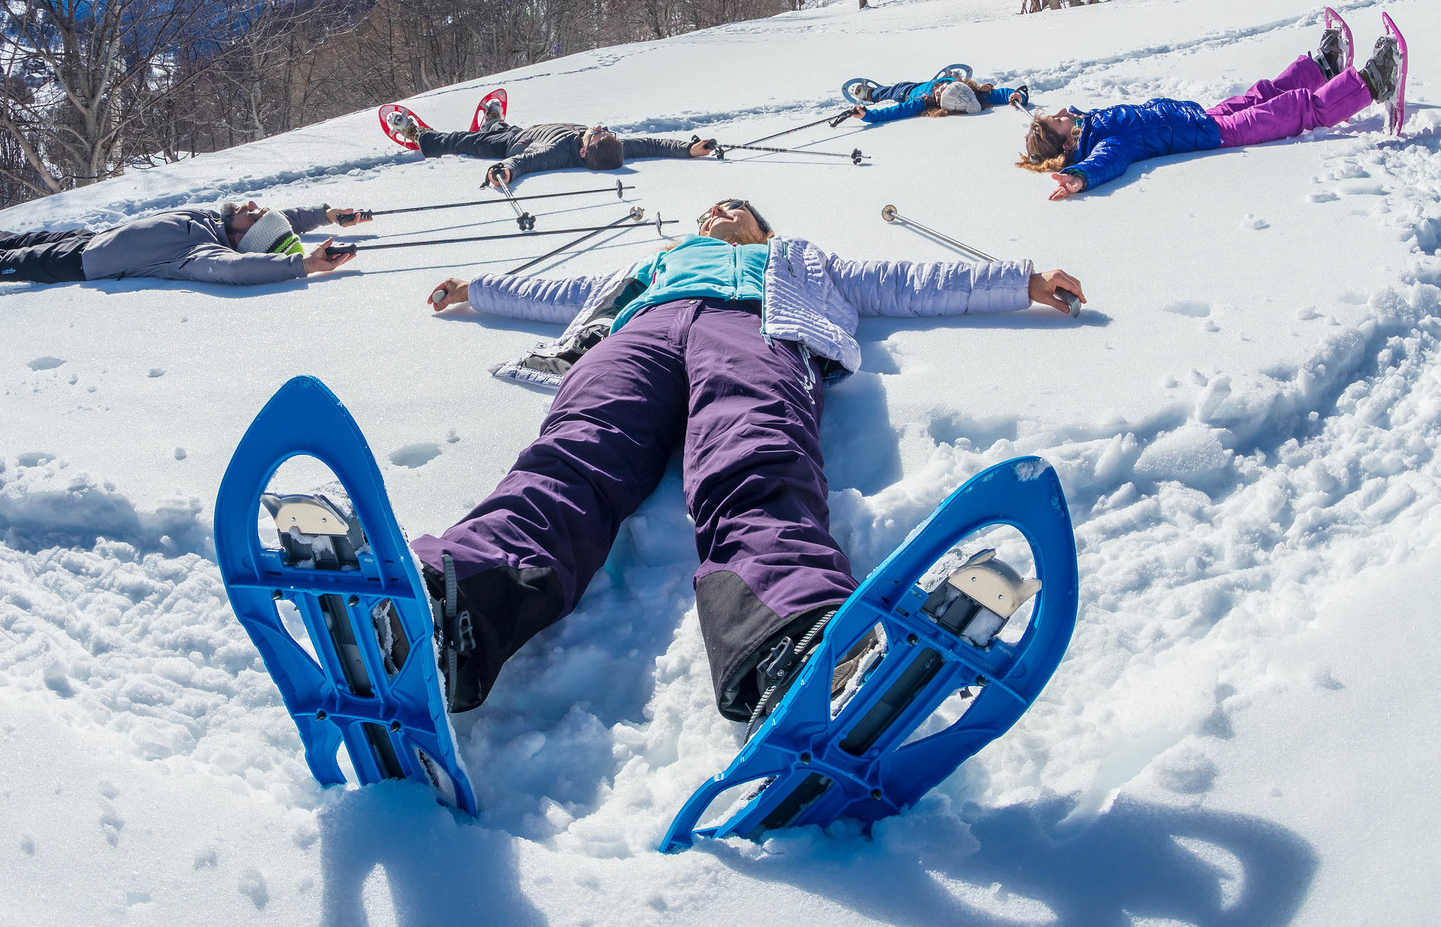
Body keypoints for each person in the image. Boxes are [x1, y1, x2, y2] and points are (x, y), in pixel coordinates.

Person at [415, 195, 1084, 725]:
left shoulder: (801, 262)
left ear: (763, 228)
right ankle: (454, 597)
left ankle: (792, 634)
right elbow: (557, 294)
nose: (718, 211)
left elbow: (906, 282)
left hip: (753, 327)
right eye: (711, 208)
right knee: (574, 450)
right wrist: (474, 288)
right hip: (641, 333)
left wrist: (1022, 280)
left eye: (735, 207)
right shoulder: (660, 261)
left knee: (754, 452)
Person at [1022, 17, 1403, 199]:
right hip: (1216, 135)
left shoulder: (1089, 124)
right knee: (1294, 109)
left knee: (1266, 91)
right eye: (1057, 122)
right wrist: (1080, 176)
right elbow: (1108, 162)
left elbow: (1084, 119)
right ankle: (1373, 82)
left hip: (1202, 118)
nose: (1060, 114)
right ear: (1067, 143)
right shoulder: (1104, 145)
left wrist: (1060, 118)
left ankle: (1323, 68)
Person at [0, 195, 369, 313]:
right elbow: (282, 222)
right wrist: (326, 214)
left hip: (86, 265)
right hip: (96, 239)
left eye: (253, 215)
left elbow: (239, 270)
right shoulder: (219, 222)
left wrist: (303, 264)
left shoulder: (205, 252)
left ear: (245, 237)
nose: (253, 205)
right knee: (27, 242)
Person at [380, 95, 719, 190]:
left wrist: (504, 171)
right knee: (498, 128)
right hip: (526, 129)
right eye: (605, 130)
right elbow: (652, 144)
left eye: (597, 132)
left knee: (462, 140)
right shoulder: (613, 149)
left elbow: (525, 162)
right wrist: (688, 149)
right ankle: (494, 120)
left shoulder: (555, 153)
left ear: (583, 151)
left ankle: (418, 135)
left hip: (509, 144)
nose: (599, 127)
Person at [851, 74, 1029, 128]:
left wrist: (869, 115)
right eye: (945, 87)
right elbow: (1001, 93)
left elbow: (895, 112)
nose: (940, 89)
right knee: (939, 82)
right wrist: (1018, 95)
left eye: (940, 94)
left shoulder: (924, 102)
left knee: (892, 90)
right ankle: (948, 77)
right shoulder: (977, 95)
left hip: (908, 92)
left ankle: (872, 94)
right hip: (926, 83)